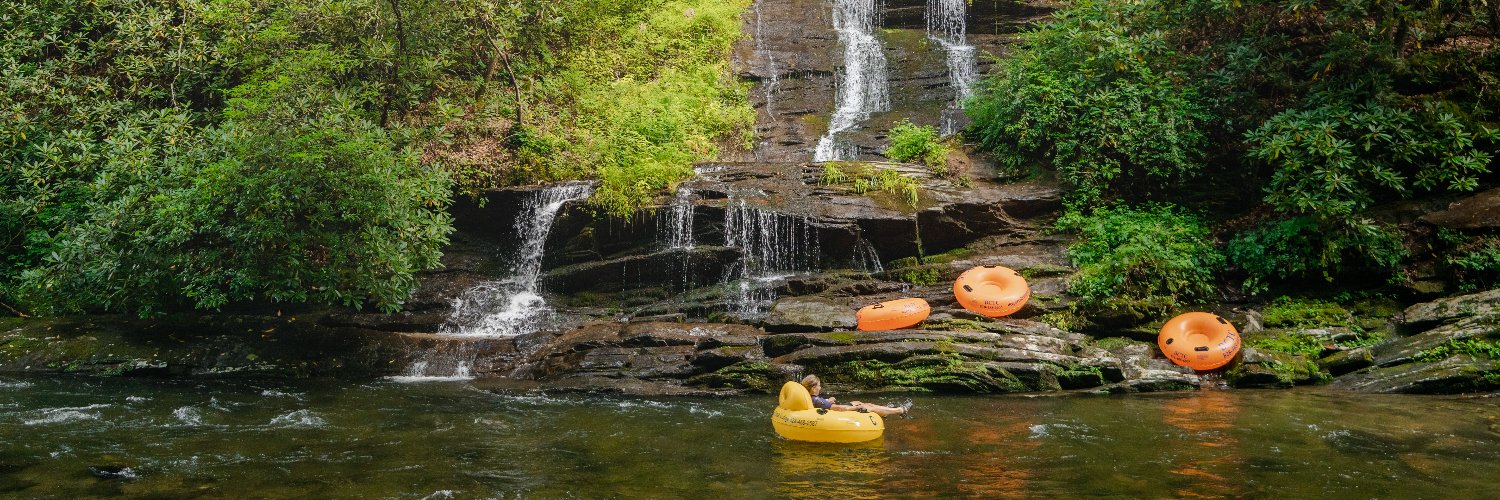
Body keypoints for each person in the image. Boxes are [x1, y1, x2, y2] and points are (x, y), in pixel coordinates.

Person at [800, 374, 911, 418]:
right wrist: (856, 408)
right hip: (839, 415)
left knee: (859, 402)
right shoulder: (817, 400)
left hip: (830, 409)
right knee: (867, 406)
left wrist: (828, 400)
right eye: (819, 386)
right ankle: (900, 410)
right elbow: (839, 408)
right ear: (813, 388)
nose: (820, 388)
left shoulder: (810, 397)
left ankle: (885, 412)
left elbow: (821, 403)